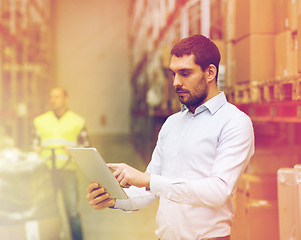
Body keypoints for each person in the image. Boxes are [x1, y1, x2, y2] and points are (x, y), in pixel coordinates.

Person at [86, 35, 255, 240]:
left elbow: (218, 191)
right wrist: (113, 199)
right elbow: (151, 191)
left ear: (210, 72)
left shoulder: (235, 122)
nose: (176, 82)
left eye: (185, 73)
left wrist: (147, 179)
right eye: (173, 74)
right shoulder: (172, 123)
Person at [33, 87, 90, 240]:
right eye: (51, 97)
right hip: (47, 172)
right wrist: (35, 150)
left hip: (68, 171)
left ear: (65, 98)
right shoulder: (40, 121)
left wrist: (74, 149)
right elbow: (35, 144)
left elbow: (86, 147)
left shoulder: (77, 121)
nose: (53, 100)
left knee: (72, 212)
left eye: (57, 97)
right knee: (49, 213)